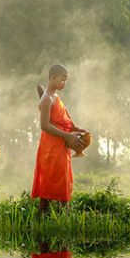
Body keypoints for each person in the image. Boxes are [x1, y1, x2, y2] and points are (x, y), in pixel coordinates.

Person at [31, 64, 87, 213]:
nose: (64, 84)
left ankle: (61, 214)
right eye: (62, 80)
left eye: (66, 80)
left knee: (62, 179)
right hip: (51, 148)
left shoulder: (55, 97)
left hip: (61, 146)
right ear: (53, 77)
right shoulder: (47, 99)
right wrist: (68, 135)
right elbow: (44, 125)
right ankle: (59, 215)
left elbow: (60, 120)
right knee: (50, 182)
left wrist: (75, 129)